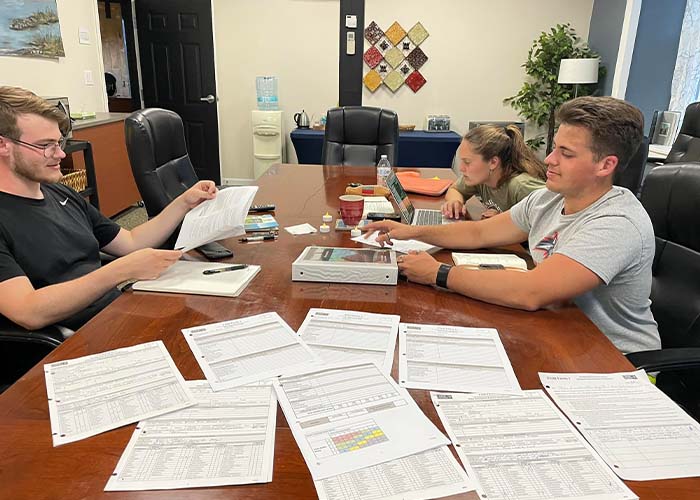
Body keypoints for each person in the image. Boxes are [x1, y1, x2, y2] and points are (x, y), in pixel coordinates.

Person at [365, 96, 660, 354]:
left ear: (605, 165)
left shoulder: (617, 223)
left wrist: (437, 273)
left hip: (615, 360)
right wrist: (412, 231)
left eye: (566, 154)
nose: (549, 160)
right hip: (560, 332)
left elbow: (531, 292)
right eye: (554, 148)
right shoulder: (548, 199)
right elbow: (480, 232)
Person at [0, 86, 217, 332]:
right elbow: (28, 311)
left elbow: (132, 241)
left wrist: (185, 202)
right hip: (72, 340)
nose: (60, 153)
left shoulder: (61, 193)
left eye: (59, 142)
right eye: (45, 145)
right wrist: (121, 270)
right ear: (3, 145)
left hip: (115, 313)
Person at [442, 124, 546, 219]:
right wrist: (455, 202)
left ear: (493, 162)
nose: (461, 168)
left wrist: (505, 219)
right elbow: (455, 189)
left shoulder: (521, 185)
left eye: (467, 162)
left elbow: (553, 215)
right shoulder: (481, 178)